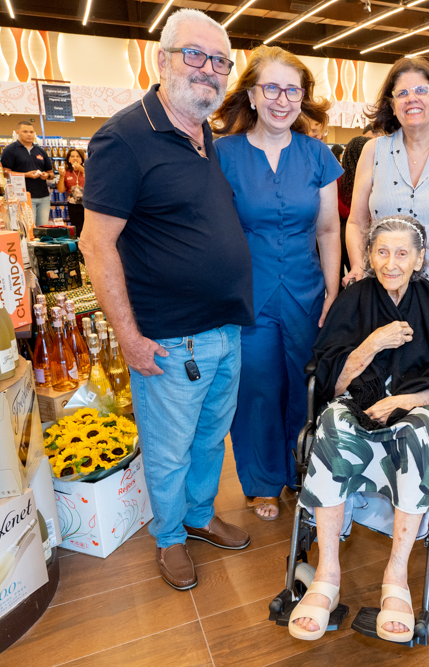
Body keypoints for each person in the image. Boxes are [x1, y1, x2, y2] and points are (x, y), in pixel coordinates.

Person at [80, 8, 253, 592]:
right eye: (195, 56)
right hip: (169, 339)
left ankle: (199, 518)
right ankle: (171, 538)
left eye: (220, 62)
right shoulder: (124, 138)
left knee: (210, 438)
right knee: (170, 448)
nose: (208, 71)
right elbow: (96, 244)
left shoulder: (208, 138)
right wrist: (128, 336)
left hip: (225, 329)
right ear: (163, 60)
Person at [287, 215, 429, 642]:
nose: (391, 262)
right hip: (357, 402)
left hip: (415, 407)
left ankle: (396, 576)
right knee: (331, 421)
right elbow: (333, 382)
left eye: (402, 253)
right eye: (381, 252)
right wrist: (374, 342)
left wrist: (400, 401)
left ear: (419, 258)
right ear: (368, 255)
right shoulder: (354, 301)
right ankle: (327, 575)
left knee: (416, 432)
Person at [213, 45, 342, 522]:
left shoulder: (318, 155)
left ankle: (304, 470)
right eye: (272, 88)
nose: (282, 99)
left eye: (293, 89)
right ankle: (264, 481)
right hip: (248, 295)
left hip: (307, 292)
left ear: (303, 96)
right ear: (251, 94)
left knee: (307, 386)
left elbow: (329, 229)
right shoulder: (222, 153)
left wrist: (332, 291)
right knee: (259, 389)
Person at [344, 56, 429, 357]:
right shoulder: (373, 150)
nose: (411, 99)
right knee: (381, 369)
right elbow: (356, 221)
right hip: (383, 285)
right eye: (402, 93)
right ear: (391, 105)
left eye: (421, 90)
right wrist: (356, 265)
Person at [0, 121, 53, 226]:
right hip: (23, 197)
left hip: (44, 197)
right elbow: (5, 173)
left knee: (43, 229)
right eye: (25, 131)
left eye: (31, 132)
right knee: (29, 229)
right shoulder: (10, 150)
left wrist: (46, 176)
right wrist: (26, 175)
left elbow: (51, 173)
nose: (29, 134)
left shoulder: (40, 151)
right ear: (17, 132)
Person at [339, 135, 370, 277]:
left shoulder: (339, 178)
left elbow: (342, 209)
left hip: (342, 232)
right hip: (363, 231)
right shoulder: (371, 177)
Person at [56, 148, 86, 236]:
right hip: (73, 205)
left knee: (88, 228)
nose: (75, 158)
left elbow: (95, 180)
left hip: (88, 205)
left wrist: (81, 168)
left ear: (82, 159)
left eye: (78, 156)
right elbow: (61, 190)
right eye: (72, 156)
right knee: (77, 228)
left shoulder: (88, 170)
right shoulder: (66, 172)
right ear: (68, 159)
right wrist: (62, 176)